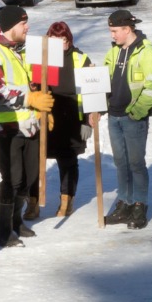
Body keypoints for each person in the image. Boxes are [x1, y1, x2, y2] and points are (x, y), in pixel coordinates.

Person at [102, 9, 152, 228]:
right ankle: (124, 203)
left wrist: (137, 112)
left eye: (115, 31)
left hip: (133, 117)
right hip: (114, 116)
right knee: (121, 163)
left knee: (136, 163)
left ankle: (139, 205)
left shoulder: (148, 52)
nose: (112, 35)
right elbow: (104, 79)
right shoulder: (113, 52)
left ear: (128, 29)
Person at [0, 6, 42, 240]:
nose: (27, 27)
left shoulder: (18, 51)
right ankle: (4, 229)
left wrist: (37, 95)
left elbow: (26, 82)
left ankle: (17, 222)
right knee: (12, 179)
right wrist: (28, 98)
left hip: (28, 126)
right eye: (23, 23)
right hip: (7, 128)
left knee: (29, 177)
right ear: (10, 26)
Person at [42, 21, 93, 219]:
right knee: (36, 159)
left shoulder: (80, 58)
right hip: (48, 118)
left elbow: (92, 91)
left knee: (68, 161)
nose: (60, 44)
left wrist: (88, 120)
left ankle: (66, 199)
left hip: (71, 119)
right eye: (55, 40)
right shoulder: (43, 59)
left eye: (63, 39)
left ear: (69, 39)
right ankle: (33, 201)